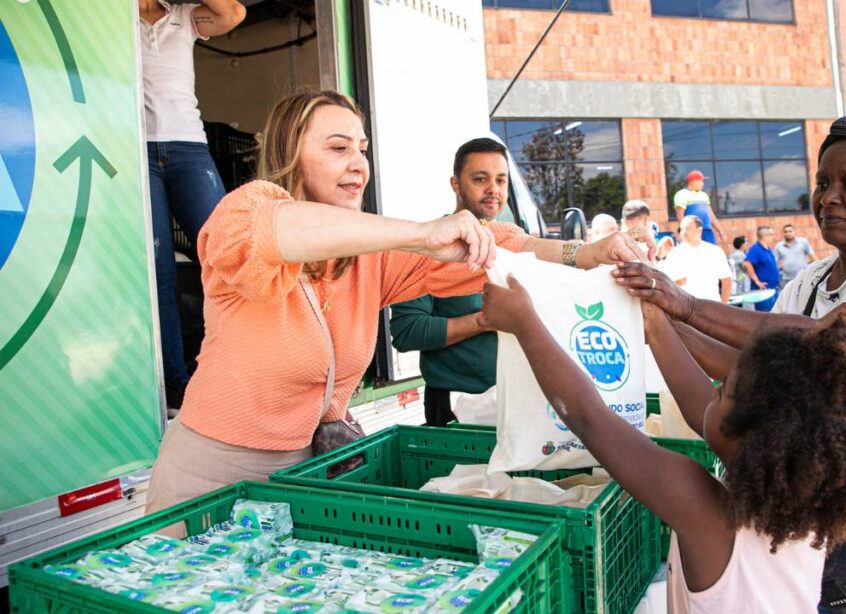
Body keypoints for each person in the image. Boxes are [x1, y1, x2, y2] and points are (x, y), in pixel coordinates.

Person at [143, 91, 652, 529]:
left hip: (308, 478)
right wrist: (420, 232)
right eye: (338, 148)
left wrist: (581, 253)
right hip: (209, 478)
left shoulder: (368, 256)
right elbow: (279, 226)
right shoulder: (244, 214)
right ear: (291, 155)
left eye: (362, 149)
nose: (358, 164)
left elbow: (495, 244)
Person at [613, 107, 846, 613]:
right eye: (822, 182)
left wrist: (686, 306)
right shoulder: (809, 283)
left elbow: (834, 342)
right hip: (840, 533)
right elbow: (748, 367)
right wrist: (658, 320)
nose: (828, 197)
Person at [481, 277, 846, 613]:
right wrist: (656, 325)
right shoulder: (804, 504)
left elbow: (588, 417)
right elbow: (701, 410)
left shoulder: (710, 513)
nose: (713, 390)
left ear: (752, 435)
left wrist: (525, 323)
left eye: (724, 390)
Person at [139, 0, 247, 409]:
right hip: (136, 149)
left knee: (226, 259)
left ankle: (234, 367)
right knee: (159, 272)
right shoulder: (113, 18)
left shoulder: (186, 15)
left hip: (188, 149)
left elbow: (233, 13)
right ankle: (176, 383)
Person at [389, 138, 508, 426]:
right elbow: (406, 332)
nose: (493, 189)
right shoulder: (426, 247)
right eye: (481, 179)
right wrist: (485, 320)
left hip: (515, 397)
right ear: (455, 184)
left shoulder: (512, 242)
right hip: (456, 408)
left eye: (501, 180)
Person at [659, 216, 732, 303]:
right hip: (684, 308)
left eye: (688, 229)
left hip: (710, 306)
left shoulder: (714, 252)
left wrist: (724, 306)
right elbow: (666, 281)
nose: (684, 232)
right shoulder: (674, 253)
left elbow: (726, 280)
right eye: (681, 229)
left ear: (699, 230)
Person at [673, 170, 726, 245]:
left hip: (707, 231)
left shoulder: (704, 195)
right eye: (701, 181)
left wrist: (720, 231)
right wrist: (685, 231)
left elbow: (711, 215)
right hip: (693, 231)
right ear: (694, 181)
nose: (703, 184)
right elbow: (680, 215)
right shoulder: (682, 194)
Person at [741, 226, 780, 311]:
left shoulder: (768, 249)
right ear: (764, 236)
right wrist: (757, 281)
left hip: (773, 288)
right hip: (763, 290)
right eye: (771, 235)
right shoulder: (756, 249)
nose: (774, 237)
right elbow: (747, 264)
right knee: (766, 316)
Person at [775, 223, 816, 287]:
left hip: (802, 278)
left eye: (790, 231)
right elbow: (775, 262)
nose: (788, 233)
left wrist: (806, 266)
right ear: (783, 233)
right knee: (787, 296)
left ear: (794, 232)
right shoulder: (779, 246)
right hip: (786, 279)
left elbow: (813, 258)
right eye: (786, 232)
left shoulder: (803, 242)